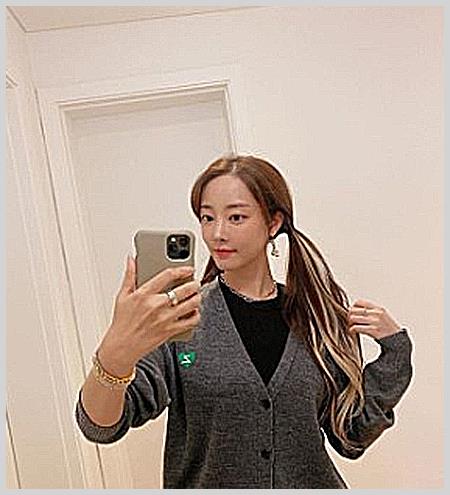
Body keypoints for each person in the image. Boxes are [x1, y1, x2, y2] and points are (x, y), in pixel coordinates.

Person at [75, 154, 413, 488]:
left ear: (273, 223)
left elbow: (351, 436)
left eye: (236, 217)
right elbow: (100, 426)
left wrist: (394, 352)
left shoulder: (316, 319)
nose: (217, 233)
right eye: (207, 218)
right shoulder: (179, 318)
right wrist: (115, 353)